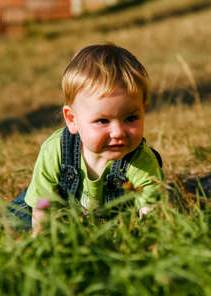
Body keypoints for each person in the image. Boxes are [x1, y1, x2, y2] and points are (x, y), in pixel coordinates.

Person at [13, 43, 166, 235]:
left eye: (131, 118)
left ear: (143, 110)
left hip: (108, 223)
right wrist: (43, 244)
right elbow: (42, 207)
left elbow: (152, 217)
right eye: (103, 121)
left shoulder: (141, 162)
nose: (118, 132)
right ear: (72, 119)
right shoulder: (56, 151)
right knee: (15, 222)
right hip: (56, 211)